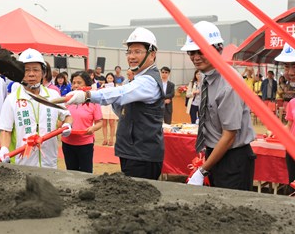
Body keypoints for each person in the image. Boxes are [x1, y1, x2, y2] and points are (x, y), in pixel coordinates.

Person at [66, 27, 165, 180]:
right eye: (129, 52)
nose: (131, 56)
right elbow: (122, 109)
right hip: (131, 150)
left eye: (137, 51)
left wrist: (87, 95)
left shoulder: (149, 81)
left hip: (143, 154)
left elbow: (121, 93)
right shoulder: (137, 78)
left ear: (152, 54)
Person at [181, 21, 256, 191]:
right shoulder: (206, 78)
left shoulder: (229, 83)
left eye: (201, 51)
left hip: (233, 159)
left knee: (233, 211)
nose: (195, 57)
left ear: (218, 49)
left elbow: (229, 135)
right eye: (191, 52)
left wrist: (202, 170)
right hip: (215, 155)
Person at [0, 48, 73, 168]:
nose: (31, 74)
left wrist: (67, 125)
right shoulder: (12, 99)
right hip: (23, 163)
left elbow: (67, 115)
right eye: (26, 70)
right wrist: (4, 148)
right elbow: (5, 130)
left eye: (36, 70)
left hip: (49, 161)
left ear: (43, 73)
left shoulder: (53, 95)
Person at [61, 71, 103, 173]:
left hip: (85, 143)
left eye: (79, 83)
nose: (76, 85)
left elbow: (100, 122)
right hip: (67, 142)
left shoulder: (93, 102)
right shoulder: (66, 100)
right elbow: (60, 120)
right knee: (71, 171)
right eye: (74, 82)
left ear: (87, 85)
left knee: (86, 172)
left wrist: (92, 128)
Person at [274, 40, 295, 193]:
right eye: (287, 66)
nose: (291, 72)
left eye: (294, 65)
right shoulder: (292, 103)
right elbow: (289, 126)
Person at [100, 72, 119, 146]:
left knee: (112, 123)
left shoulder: (116, 86)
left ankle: (111, 139)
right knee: (104, 123)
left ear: (113, 79)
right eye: (108, 78)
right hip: (104, 105)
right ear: (106, 79)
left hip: (112, 105)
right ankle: (105, 139)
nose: (109, 79)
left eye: (111, 78)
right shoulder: (103, 86)